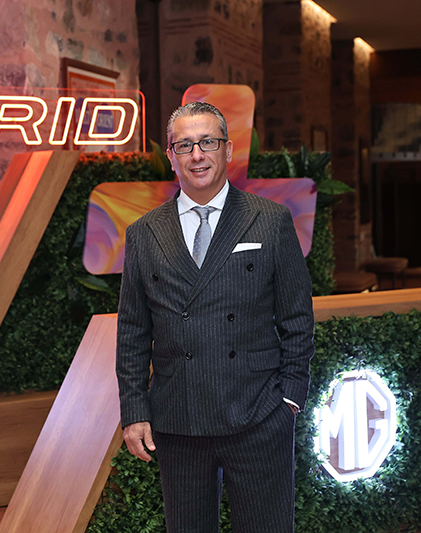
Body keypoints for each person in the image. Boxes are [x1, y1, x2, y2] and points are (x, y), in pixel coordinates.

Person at [116, 101, 315, 533]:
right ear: (171, 156)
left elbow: (298, 316)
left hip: (259, 412)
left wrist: (290, 398)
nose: (197, 155)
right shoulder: (144, 233)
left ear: (227, 150)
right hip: (179, 417)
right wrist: (134, 410)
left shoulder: (270, 221)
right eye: (184, 145)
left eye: (207, 142)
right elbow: (132, 331)